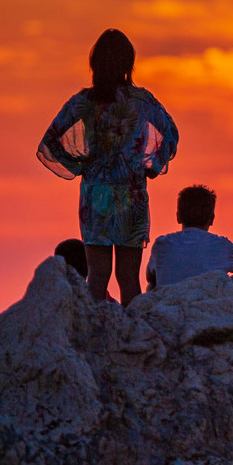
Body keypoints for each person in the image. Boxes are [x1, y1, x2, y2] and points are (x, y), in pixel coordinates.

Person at [38, 29, 178, 306]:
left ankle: (94, 339)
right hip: (132, 194)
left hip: (96, 193)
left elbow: (50, 142)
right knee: (129, 279)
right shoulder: (141, 101)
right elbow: (171, 133)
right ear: (128, 63)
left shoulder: (82, 102)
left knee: (98, 276)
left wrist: (81, 163)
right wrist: (150, 164)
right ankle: (131, 339)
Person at [147, 185, 233, 289]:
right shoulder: (223, 246)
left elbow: (150, 277)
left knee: (151, 287)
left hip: (170, 306)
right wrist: (230, 283)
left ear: (178, 217)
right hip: (210, 303)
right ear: (212, 219)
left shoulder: (162, 244)